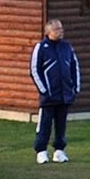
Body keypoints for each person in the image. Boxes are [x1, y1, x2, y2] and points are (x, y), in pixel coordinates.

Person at [30, 19, 80, 164]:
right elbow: (34, 70)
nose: (61, 32)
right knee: (45, 124)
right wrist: (44, 90)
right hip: (49, 96)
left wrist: (75, 87)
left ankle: (59, 151)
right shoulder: (41, 47)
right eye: (57, 29)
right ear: (49, 32)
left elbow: (74, 67)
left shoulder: (67, 47)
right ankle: (41, 151)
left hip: (65, 95)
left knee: (61, 124)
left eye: (61, 29)